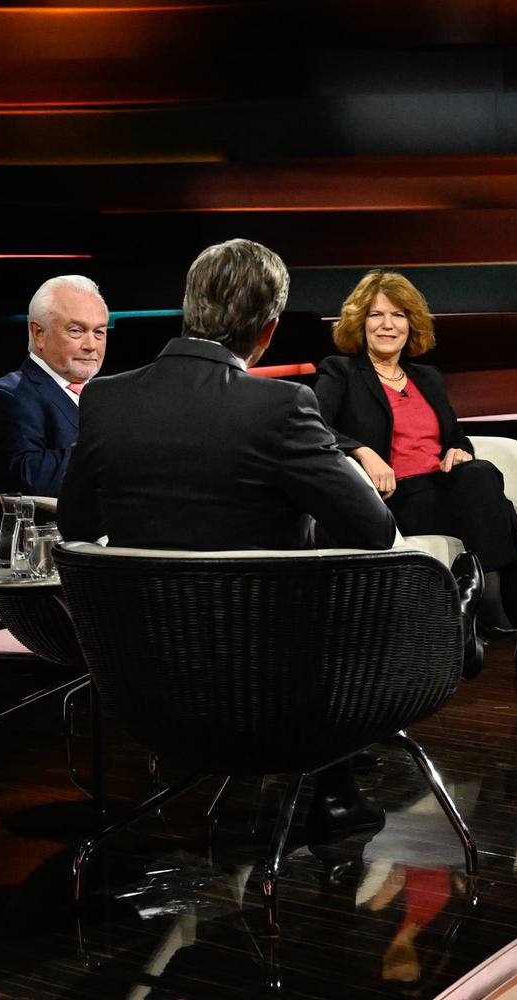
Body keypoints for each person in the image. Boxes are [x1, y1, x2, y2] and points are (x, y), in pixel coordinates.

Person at [58, 239, 399, 842]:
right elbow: (374, 530)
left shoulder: (105, 399)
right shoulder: (282, 406)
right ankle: (336, 787)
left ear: (189, 306)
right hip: (264, 682)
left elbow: (76, 526)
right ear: (268, 330)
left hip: (141, 678)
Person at [312, 269, 517, 683]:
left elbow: (455, 437)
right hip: (393, 499)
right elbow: (312, 426)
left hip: (443, 493)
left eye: (398, 315)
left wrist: (459, 451)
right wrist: (362, 451)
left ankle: (475, 611)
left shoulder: (427, 377)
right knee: (496, 503)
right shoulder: (342, 372)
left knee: (480, 474)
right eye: (376, 314)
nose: (387, 324)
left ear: (412, 324)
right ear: (359, 322)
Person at [0, 274, 108, 496]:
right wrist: (113, 448)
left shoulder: (112, 392)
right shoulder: (5, 397)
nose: (91, 345)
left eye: (99, 332)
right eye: (76, 330)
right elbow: (29, 477)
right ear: (39, 333)